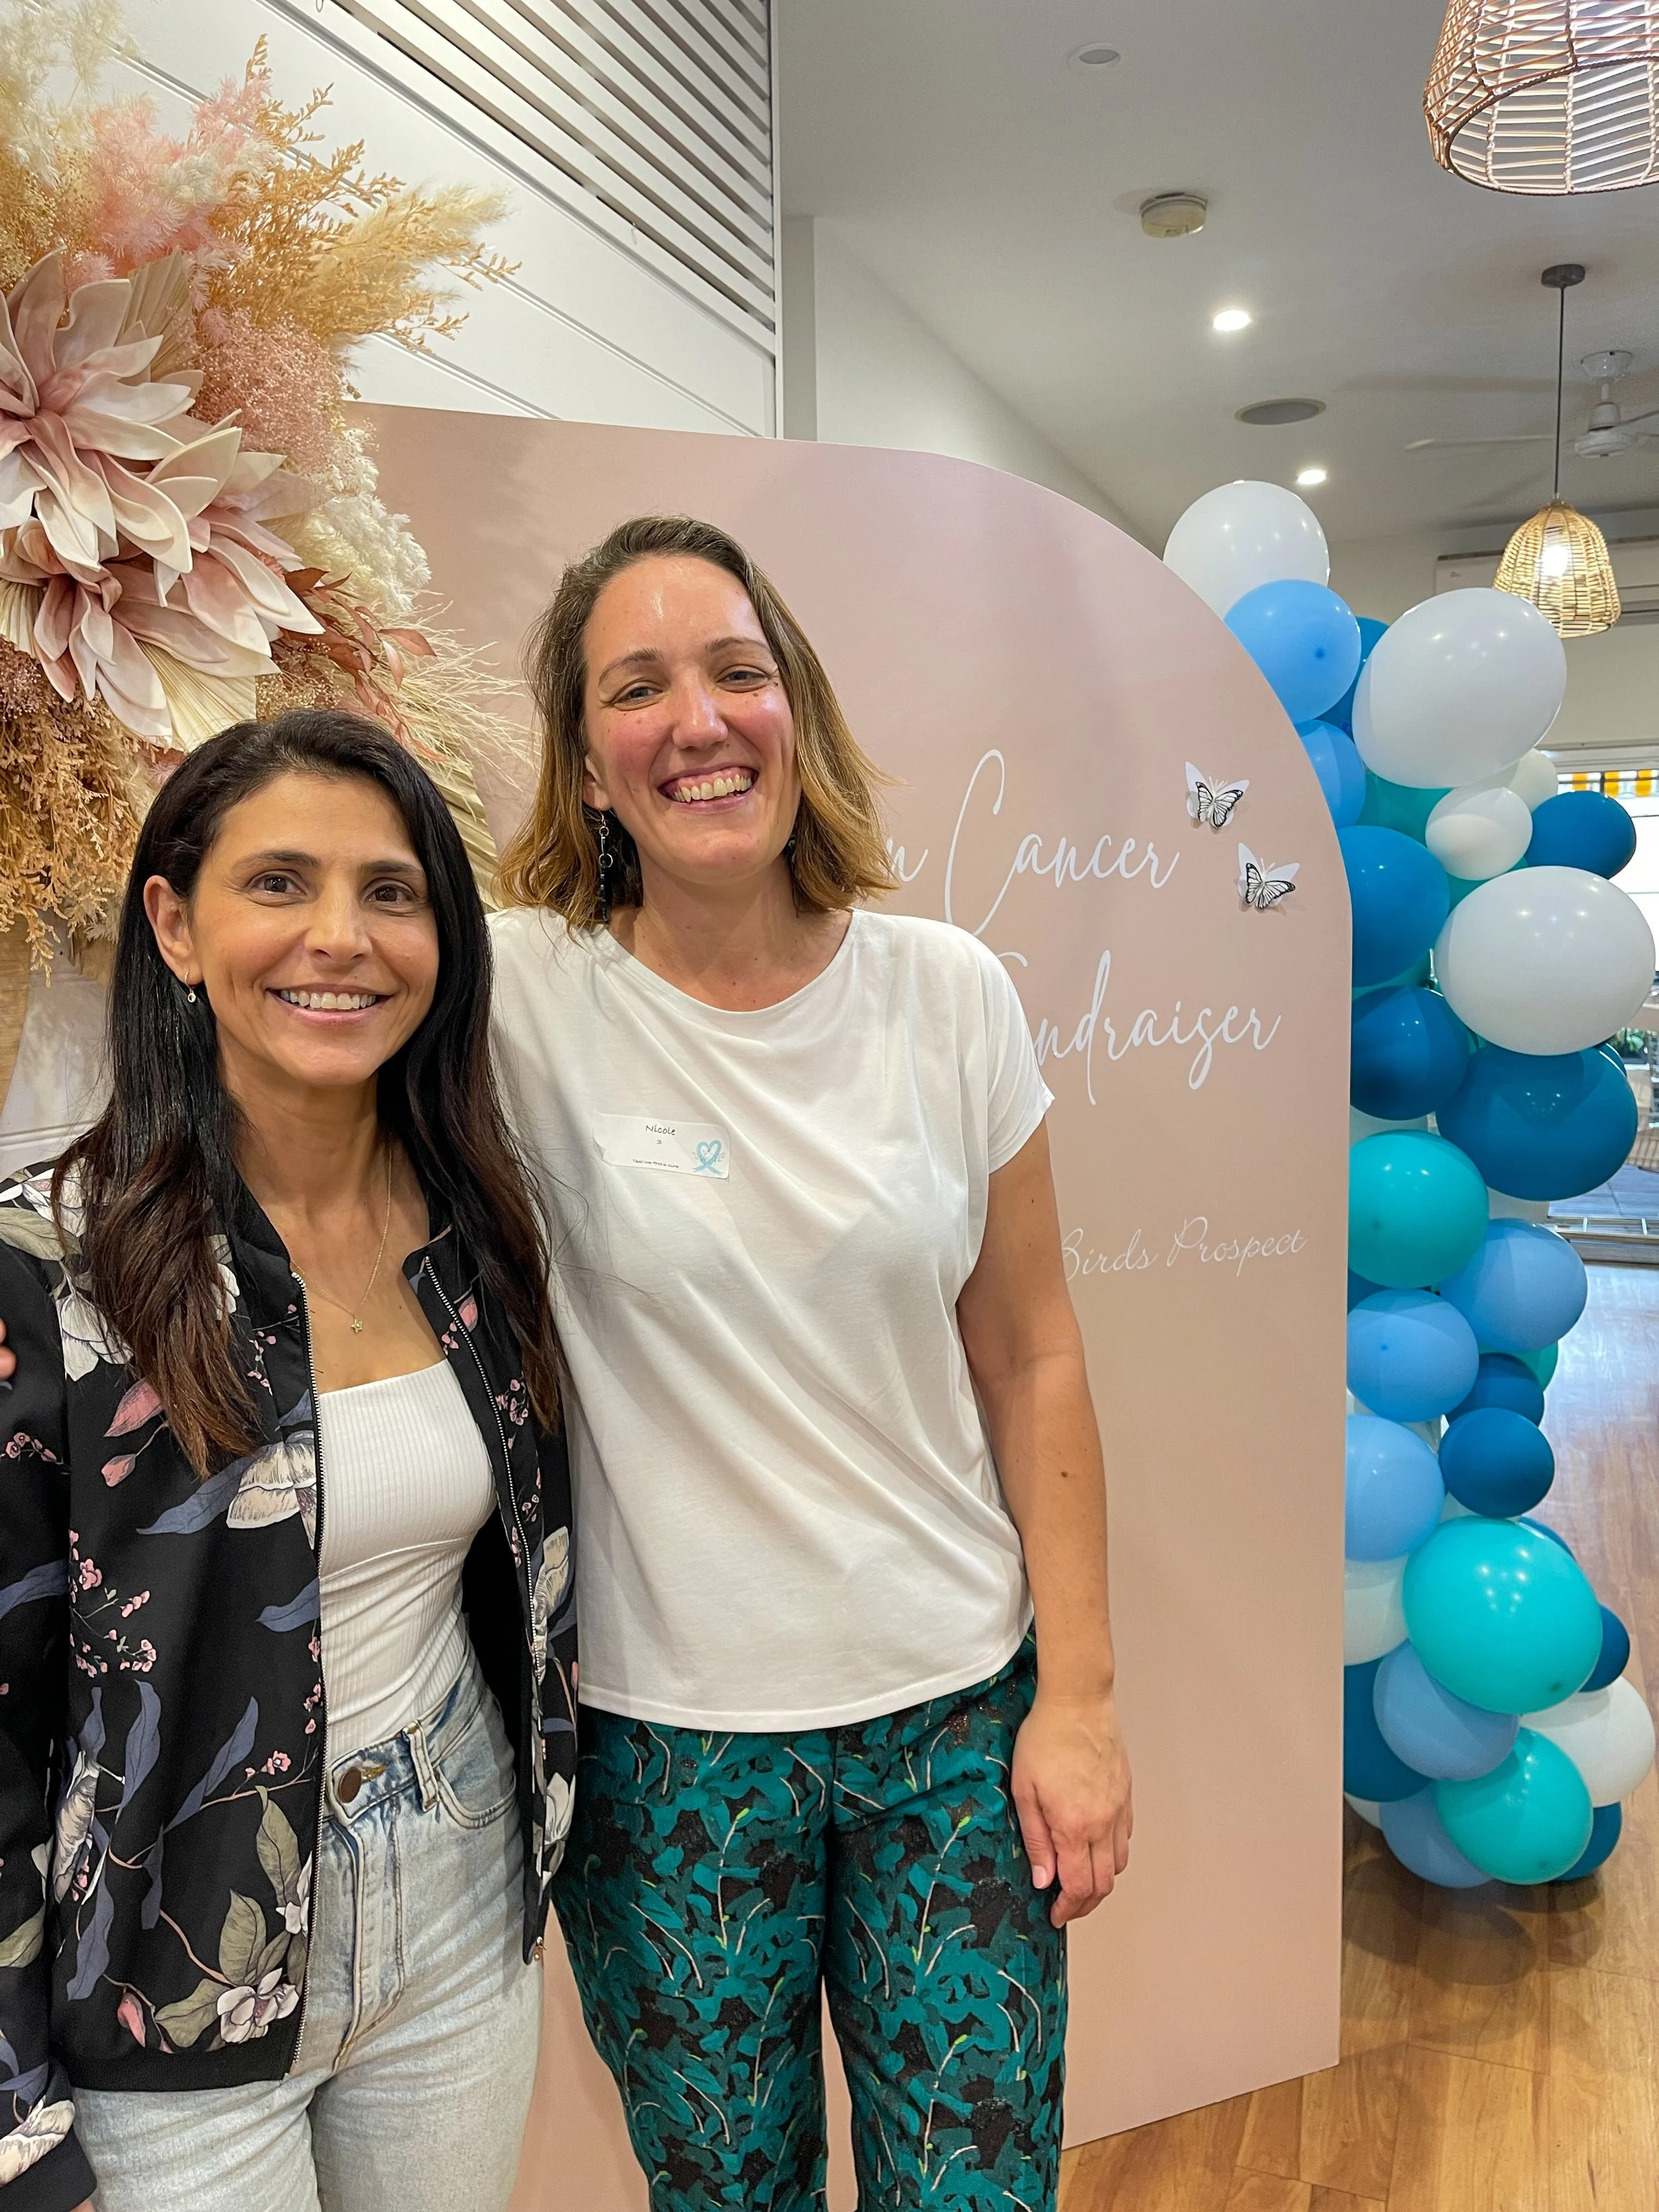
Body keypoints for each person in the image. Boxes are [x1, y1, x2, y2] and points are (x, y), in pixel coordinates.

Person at [487, 514, 1133, 2211]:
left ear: (797, 711)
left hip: (952, 1716)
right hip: (664, 1753)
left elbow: (1033, 1354)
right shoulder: (515, 1000)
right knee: (725, 2194)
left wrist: (1078, 1700)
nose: (698, 720)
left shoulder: (948, 994)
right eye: (637, 688)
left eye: (736, 671)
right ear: (586, 763)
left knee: (976, 2186)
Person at [0, 711, 574, 2212]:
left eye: (391, 891)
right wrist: (14, 2126)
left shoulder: (480, 1228)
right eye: (278, 882)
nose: (341, 937)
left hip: (454, 1888)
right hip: (168, 1962)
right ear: (175, 926)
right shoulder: (46, 1270)